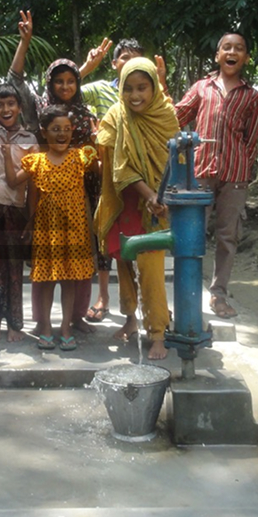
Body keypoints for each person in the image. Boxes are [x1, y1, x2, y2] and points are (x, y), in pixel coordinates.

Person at [95, 58, 179, 360]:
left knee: (152, 270)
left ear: (154, 87)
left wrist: (160, 198)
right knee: (124, 262)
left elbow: (176, 161)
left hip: (158, 207)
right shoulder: (116, 115)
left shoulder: (166, 114)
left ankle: (157, 332)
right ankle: (130, 319)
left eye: (142, 87)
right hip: (126, 200)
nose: (135, 96)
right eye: (128, 88)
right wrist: (147, 194)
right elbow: (119, 168)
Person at [174, 31, 258, 319]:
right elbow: (176, 116)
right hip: (200, 173)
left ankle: (218, 294)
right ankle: (187, 293)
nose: (232, 52)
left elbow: (252, 140)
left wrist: (243, 170)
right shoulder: (202, 87)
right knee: (192, 234)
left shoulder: (251, 96)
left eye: (239, 48)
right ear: (217, 55)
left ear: (245, 58)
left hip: (235, 176)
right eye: (227, 47)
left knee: (228, 237)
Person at [3, 105, 96, 351]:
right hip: (46, 231)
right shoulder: (37, 161)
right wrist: (5, 155)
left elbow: (100, 165)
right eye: (55, 129)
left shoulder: (79, 157)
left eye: (66, 129)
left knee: (68, 281)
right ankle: (45, 328)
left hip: (74, 230)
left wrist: (98, 141)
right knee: (45, 281)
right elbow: (17, 185)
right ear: (44, 132)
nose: (62, 134)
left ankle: (65, 328)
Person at [0, 15, 39, 343]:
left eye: (10, 103)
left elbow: (26, 184)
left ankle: (16, 324)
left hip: (15, 209)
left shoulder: (30, 139)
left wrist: (30, 218)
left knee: (15, 268)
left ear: (19, 107)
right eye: (0, 104)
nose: (4, 108)